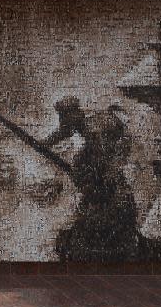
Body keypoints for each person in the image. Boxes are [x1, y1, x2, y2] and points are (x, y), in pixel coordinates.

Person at [41, 97, 141, 262]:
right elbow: (62, 132)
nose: (63, 124)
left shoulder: (94, 130)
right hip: (101, 196)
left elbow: (120, 148)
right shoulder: (84, 127)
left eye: (64, 119)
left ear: (74, 115)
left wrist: (105, 173)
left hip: (113, 198)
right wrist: (43, 144)